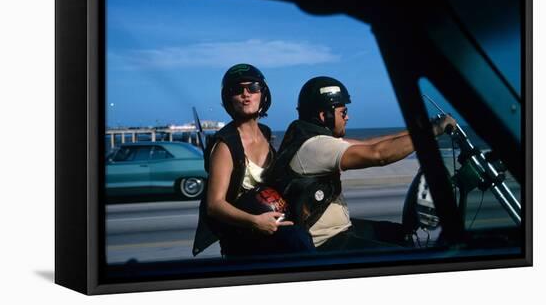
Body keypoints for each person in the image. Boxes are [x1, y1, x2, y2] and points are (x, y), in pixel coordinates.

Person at [265, 76, 456, 252]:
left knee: (400, 233)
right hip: (326, 242)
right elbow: (379, 154)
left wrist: (422, 128)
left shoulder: (309, 138)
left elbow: (370, 143)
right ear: (324, 116)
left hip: (340, 229)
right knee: (403, 258)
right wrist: (433, 132)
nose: (347, 117)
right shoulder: (317, 147)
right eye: (343, 112)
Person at [192, 64, 315, 257]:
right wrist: (254, 221)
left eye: (253, 88)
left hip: (275, 228)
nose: (246, 94)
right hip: (244, 237)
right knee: (298, 240)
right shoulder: (226, 145)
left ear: (263, 94)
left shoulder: (266, 134)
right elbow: (214, 205)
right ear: (228, 99)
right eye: (237, 90)